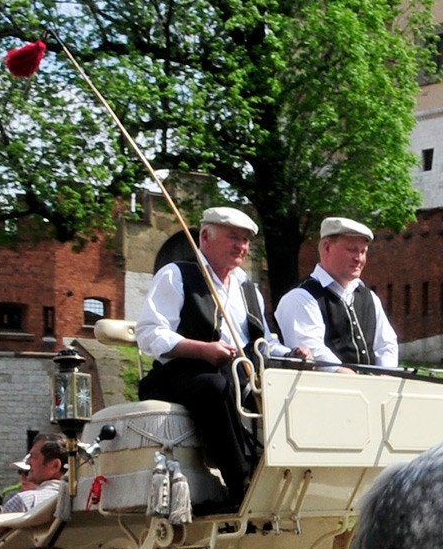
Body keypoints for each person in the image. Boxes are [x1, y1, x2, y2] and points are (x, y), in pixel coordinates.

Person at [136, 206, 303, 506]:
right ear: (205, 237)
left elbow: (262, 342)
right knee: (216, 385)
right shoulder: (177, 275)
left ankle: (287, 479)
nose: (241, 246)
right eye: (233, 238)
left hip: (241, 374)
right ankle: (239, 481)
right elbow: (149, 333)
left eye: (246, 240)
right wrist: (202, 349)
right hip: (181, 373)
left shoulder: (247, 288)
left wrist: (290, 353)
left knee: (286, 391)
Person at [274, 216, 400, 373]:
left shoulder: (369, 298)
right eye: (352, 250)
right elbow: (314, 352)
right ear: (327, 247)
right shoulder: (300, 298)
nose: (359, 259)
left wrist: (386, 376)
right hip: (324, 394)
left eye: (363, 251)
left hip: (371, 393)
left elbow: (386, 344)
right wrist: (348, 376)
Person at [2, 437, 66, 514]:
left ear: (55, 465)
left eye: (33, 456)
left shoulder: (25, 501)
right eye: (20, 472)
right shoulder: (78, 501)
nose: (28, 462)